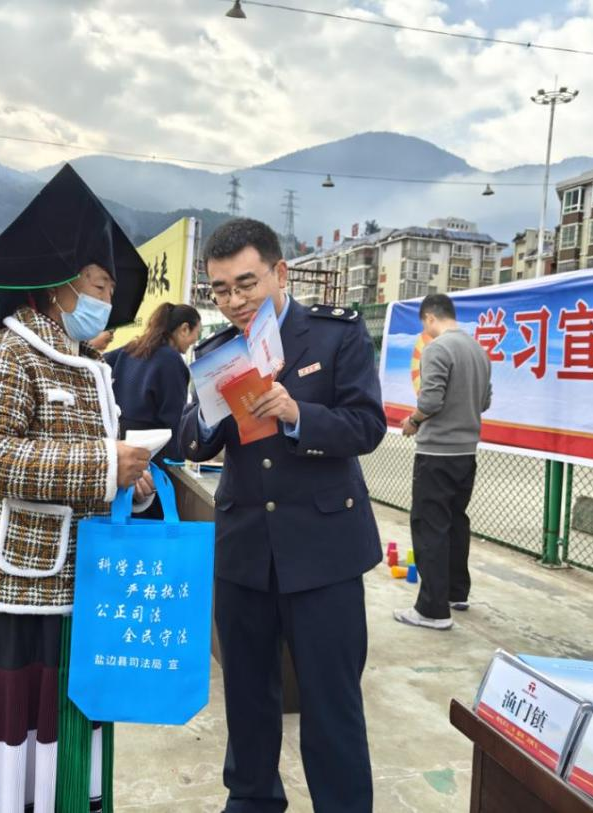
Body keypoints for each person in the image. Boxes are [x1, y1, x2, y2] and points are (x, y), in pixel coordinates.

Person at [0, 164, 154, 813]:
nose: (106, 300)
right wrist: (103, 464)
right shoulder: (7, 352)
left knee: (61, 750)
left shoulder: (85, 363)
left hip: (72, 592)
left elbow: (95, 463)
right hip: (8, 597)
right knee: (3, 753)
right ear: (59, 286)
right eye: (100, 285)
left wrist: (131, 481)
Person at [179, 218, 386, 813]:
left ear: (279, 273)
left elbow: (368, 426)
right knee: (247, 695)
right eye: (221, 290)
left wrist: (299, 415)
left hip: (324, 551)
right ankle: (251, 798)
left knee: (330, 700)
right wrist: (210, 413)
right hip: (245, 547)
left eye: (246, 284)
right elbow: (192, 438)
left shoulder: (334, 335)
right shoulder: (217, 351)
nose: (234, 301)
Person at [395, 293, 492, 631]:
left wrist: (413, 421)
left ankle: (432, 610)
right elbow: (485, 401)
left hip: (437, 453)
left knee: (430, 526)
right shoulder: (478, 350)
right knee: (455, 522)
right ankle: (455, 593)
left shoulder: (437, 349)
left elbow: (431, 399)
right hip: (466, 452)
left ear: (429, 318)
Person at [105, 302, 200, 465]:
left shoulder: (131, 348)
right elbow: (174, 419)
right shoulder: (171, 360)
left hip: (119, 447)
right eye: (198, 332)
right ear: (184, 329)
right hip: (150, 453)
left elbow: (99, 362)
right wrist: (177, 460)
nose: (196, 340)